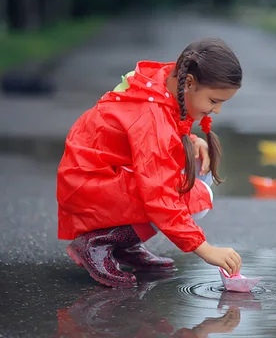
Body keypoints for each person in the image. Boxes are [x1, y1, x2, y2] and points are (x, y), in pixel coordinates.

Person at [56, 38, 243, 288]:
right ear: (189, 83)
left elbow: (158, 138)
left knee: (194, 169)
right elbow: (159, 195)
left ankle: (125, 244)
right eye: (214, 101)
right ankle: (97, 243)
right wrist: (204, 248)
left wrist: (192, 140)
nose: (217, 110)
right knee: (190, 196)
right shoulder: (151, 115)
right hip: (89, 188)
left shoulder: (162, 84)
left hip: (97, 179)